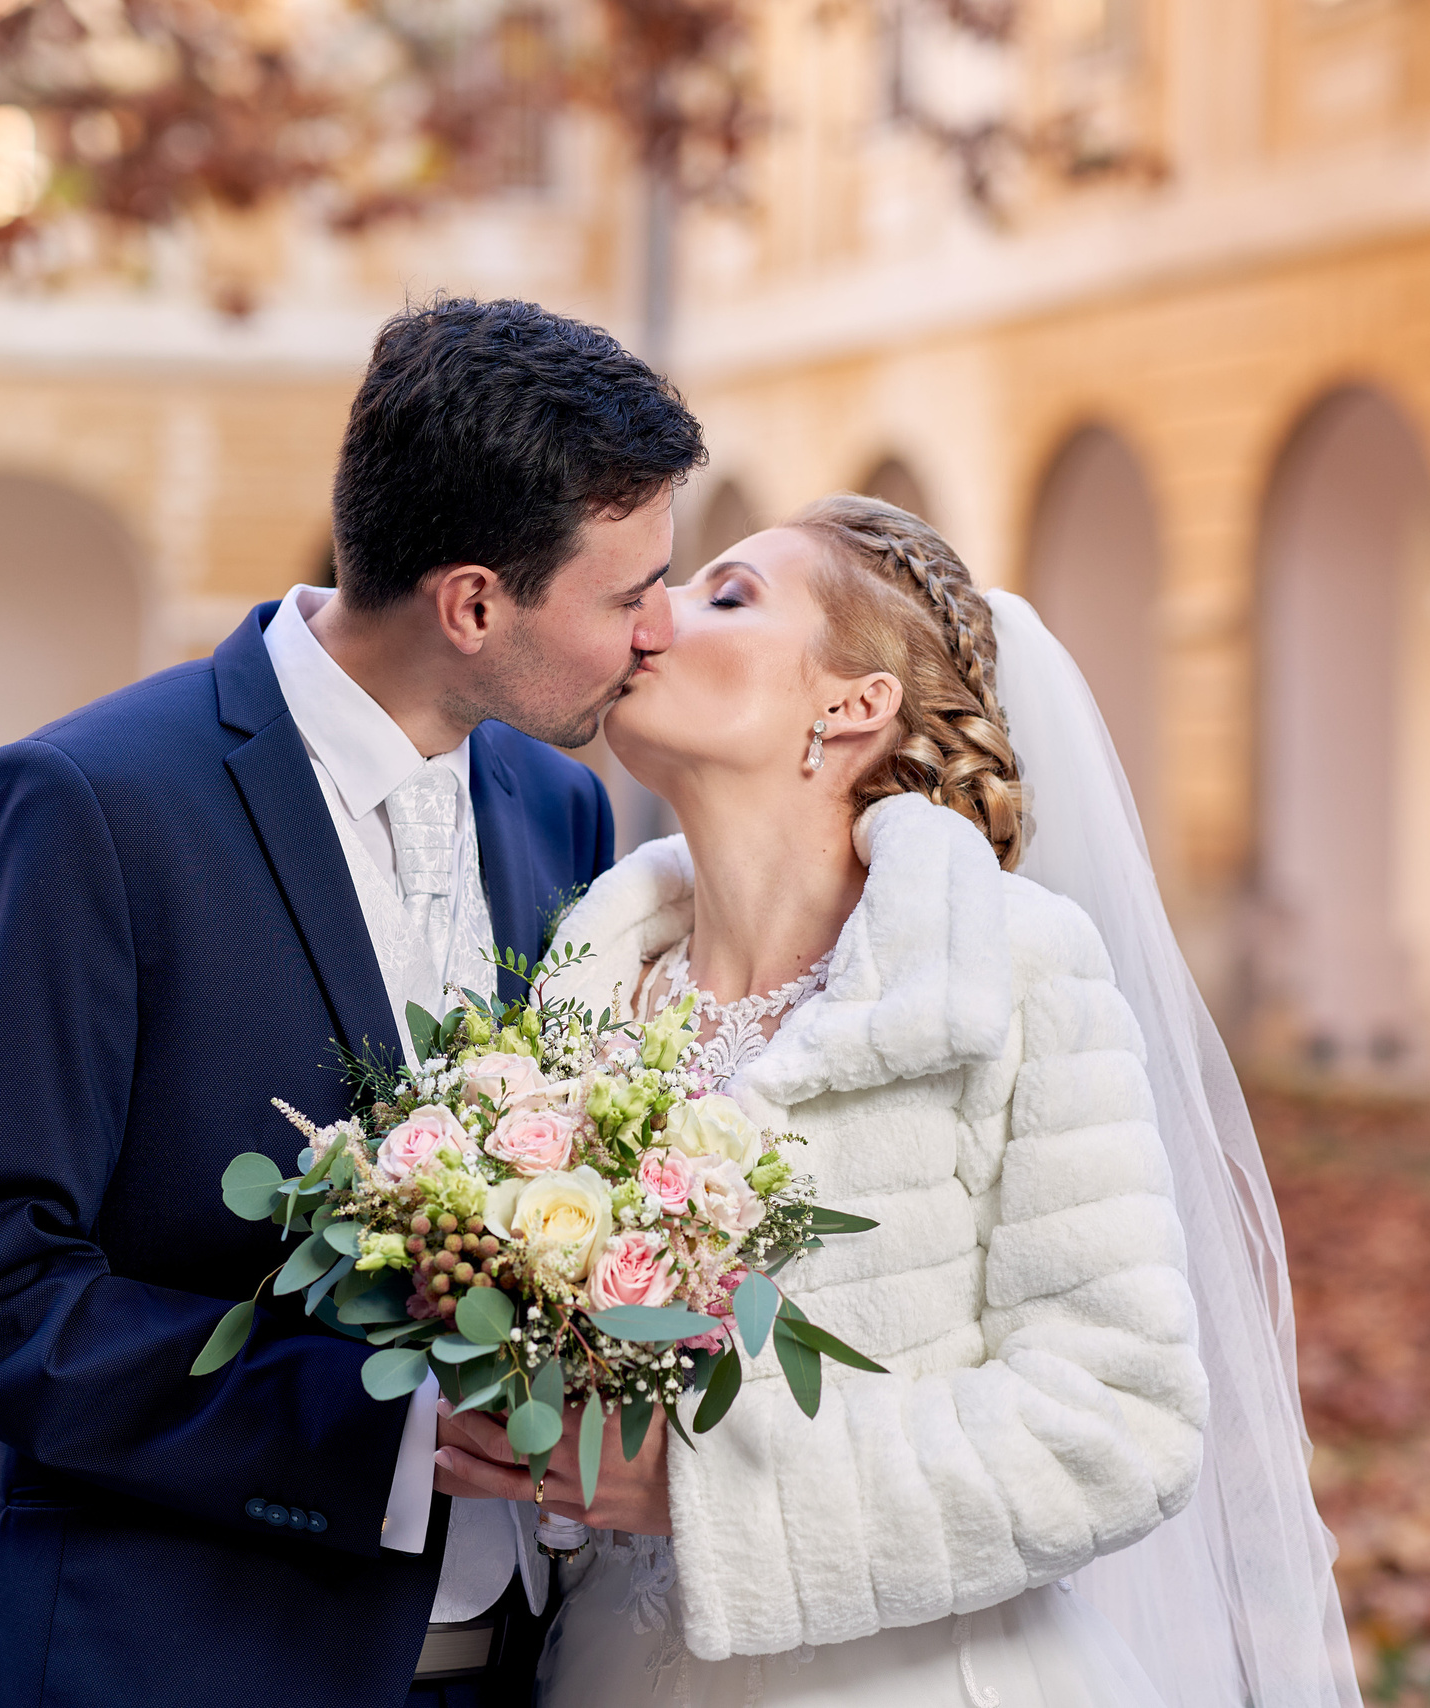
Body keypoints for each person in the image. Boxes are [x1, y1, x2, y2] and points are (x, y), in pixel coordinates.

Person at [0, 297, 703, 1708]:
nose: (662, 631)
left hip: (505, 1662)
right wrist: (381, 1432)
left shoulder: (563, 812)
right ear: (472, 602)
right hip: (177, 1658)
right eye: (629, 594)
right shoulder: (88, 806)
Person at [432, 495, 1362, 1705]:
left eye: (727, 595)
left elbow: (1119, 1421)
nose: (652, 616)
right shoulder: (585, 996)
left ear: (853, 703)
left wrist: (706, 1493)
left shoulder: (1010, 970)